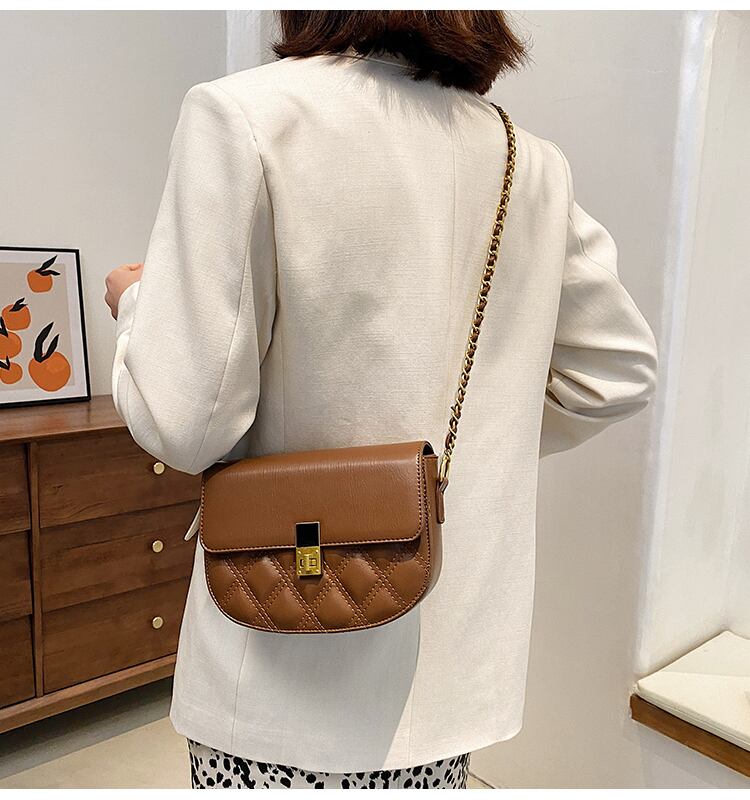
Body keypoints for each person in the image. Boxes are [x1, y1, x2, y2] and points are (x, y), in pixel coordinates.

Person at [106, 11, 657, 790]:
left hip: (281, 646)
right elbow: (616, 373)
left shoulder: (245, 115)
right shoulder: (524, 160)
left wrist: (136, 304)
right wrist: (452, 454)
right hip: (448, 664)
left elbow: (184, 423)